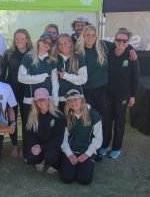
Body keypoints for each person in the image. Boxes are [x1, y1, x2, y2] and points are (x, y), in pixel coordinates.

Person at [75, 25, 137, 161]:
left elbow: (122, 44)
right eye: (87, 35)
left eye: (93, 35)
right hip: (86, 92)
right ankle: (88, 148)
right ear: (83, 36)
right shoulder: (78, 50)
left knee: (104, 121)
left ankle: (102, 147)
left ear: (96, 36)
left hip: (103, 91)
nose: (90, 37)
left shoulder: (103, 45)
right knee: (88, 120)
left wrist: (131, 49)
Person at [100, 28, 139, 159]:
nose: (121, 43)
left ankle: (116, 148)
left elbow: (135, 77)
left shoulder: (131, 55)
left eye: (124, 41)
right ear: (114, 40)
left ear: (128, 42)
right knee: (107, 121)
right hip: (108, 94)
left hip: (123, 95)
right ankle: (104, 146)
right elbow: (96, 41)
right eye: (118, 39)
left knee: (120, 122)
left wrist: (133, 95)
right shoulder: (109, 50)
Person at [18, 33, 59, 149]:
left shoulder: (52, 60)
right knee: (30, 128)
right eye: (45, 42)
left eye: (50, 44)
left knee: (45, 128)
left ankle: (44, 154)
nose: (47, 45)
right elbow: (21, 77)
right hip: (30, 100)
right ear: (39, 42)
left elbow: (55, 83)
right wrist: (40, 78)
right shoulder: (28, 57)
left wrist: (54, 102)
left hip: (47, 101)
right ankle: (30, 154)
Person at [0, 28, 33, 158]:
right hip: (11, 89)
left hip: (27, 90)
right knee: (11, 117)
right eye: (17, 38)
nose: (19, 41)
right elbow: (2, 74)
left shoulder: (32, 53)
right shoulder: (9, 53)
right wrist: (2, 89)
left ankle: (27, 145)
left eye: (22, 39)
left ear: (27, 39)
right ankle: (14, 145)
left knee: (26, 118)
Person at [60, 89, 102, 185]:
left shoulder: (94, 115)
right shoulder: (67, 116)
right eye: (70, 101)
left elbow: (98, 138)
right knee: (66, 179)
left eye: (75, 99)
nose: (73, 103)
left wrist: (87, 154)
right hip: (72, 151)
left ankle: (85, 165)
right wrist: (69, 154)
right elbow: (64, 138)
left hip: (87, 151)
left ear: (82, 100)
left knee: (84, 180)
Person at [24, 88, 65, 174]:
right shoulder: (32, 115)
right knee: (29, 157)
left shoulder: (58, 115)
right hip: (38, 144)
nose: (42, 102)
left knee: (50, 156)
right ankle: (40, 161)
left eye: (44, 99)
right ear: (35, 101)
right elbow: (28, 135)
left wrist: (41, 148)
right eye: (39, 99)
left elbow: (59, 139)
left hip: (52, 146)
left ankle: (54, 165)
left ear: (48, 100)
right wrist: (34, 146)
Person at [56, 34, 87, 112]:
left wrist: (66, 76)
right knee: (62, 123)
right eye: (60, 44)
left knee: (76, 123)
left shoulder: (79, 57)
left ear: (70, 43)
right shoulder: (55, 59)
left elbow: (83, 79)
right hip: (60, 99)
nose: (63, 46)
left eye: (65, 43)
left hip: (76, 99)